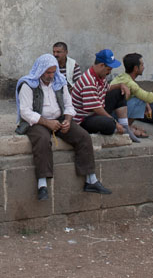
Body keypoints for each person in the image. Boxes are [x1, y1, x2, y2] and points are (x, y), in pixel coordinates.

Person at [15, 54, 113, 200]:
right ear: (40, 70)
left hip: (59, 119)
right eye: (48, 72)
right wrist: (47, 123)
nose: (51, 75)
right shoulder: (28, 85)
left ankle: (90, 179)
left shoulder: (59, 82)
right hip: (37, 121)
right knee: (42, 140)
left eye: (53, 72)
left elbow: (69, 105)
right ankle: (42, 184)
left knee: (83, 136)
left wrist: (67, 120)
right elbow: (25, 112)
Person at [70, 50, 127, 135]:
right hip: (83, 119)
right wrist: (115, 122)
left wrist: (120, 85)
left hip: (95, 111)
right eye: (108, 69)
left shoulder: (100, 75)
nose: (109, 72)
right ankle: (118, 128)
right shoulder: (89, 82)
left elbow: (107, 88)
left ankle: (125, 127)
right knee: (109, 124)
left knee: (119, 92)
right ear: (101, 65)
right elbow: (96, 108)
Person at [110, 53, 153, 141]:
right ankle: (127, 127)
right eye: (142, 65)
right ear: (135, 68)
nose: (144, 67)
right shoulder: (130, 83)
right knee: (141, 100)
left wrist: (147, 104)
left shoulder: (123, 76)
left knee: (144, 100)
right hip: (113, 116)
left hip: (114, 112)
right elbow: (150, 98)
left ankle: (128, 126)